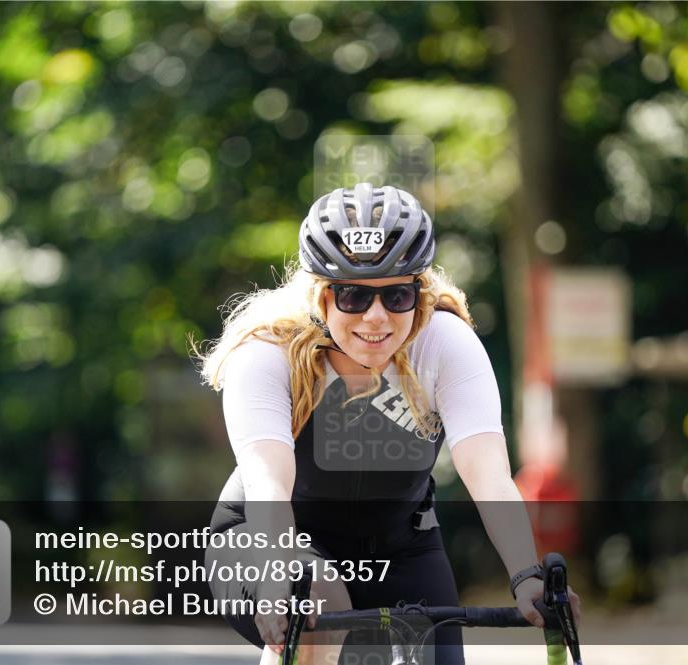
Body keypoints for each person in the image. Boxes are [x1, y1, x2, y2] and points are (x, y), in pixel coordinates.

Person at [197, 183, 580, 665]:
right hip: (271, 538)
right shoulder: (266, 353)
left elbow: (488, 473)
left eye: (397, 295)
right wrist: (277, 579)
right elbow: (268, 481)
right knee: (313, 606)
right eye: (353, 296)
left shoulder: (443, 342)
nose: (376, 318)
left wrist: (526, 575)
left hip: (401, 545)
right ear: (320, 296)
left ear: (419, 292)